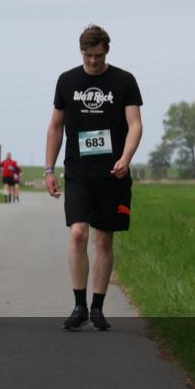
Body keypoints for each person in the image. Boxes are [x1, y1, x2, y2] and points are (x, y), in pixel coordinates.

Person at [44, 24, 142, 331]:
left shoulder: (124, 81)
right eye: (88, 55)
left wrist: (125, 158)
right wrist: (49, 169)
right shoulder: (67, 80)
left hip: (112, 173)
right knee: (78, 234)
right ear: (81, 52)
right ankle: (79, 305)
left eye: (98, 56)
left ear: (107, 52)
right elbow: (56, 126)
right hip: (78, 172)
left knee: (103, 239)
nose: (93, 62)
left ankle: (97, 307)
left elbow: (135, 124)